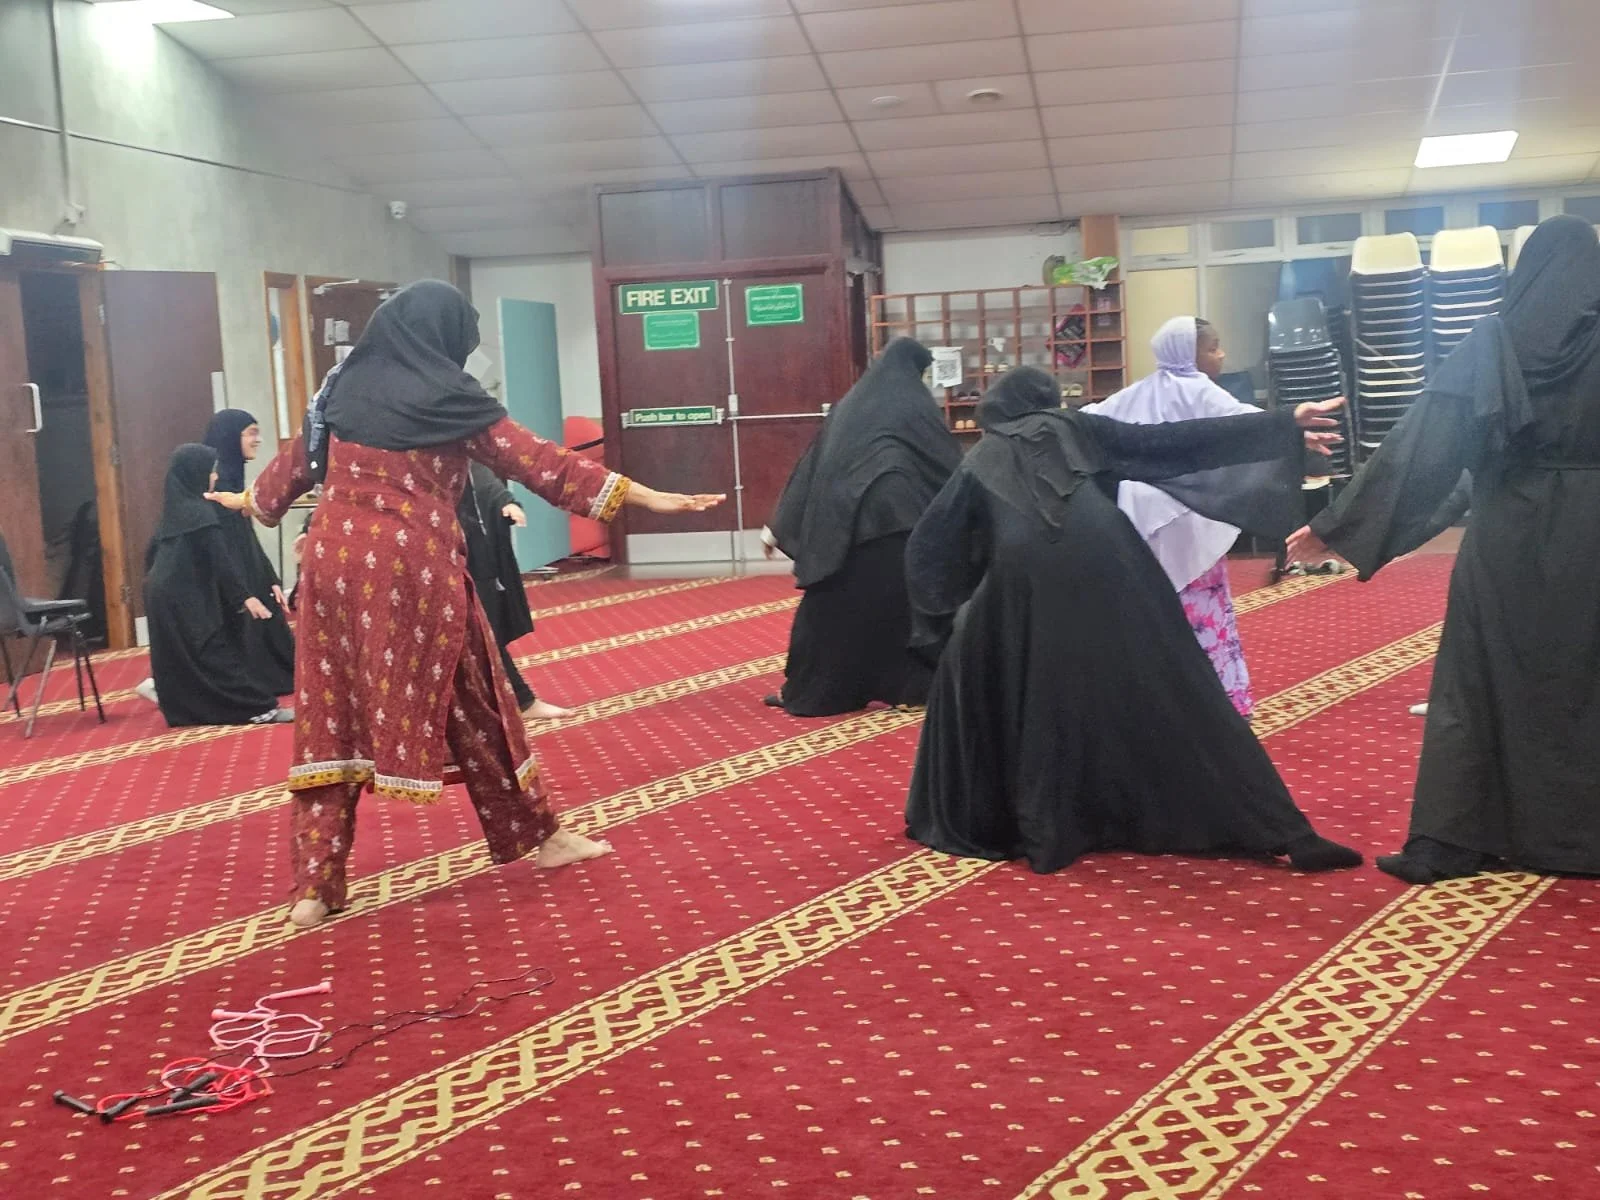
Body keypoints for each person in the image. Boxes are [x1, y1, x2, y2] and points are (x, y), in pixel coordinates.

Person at [210, 280, 722, 929]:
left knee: (327, 720)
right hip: (417, 572)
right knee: (483, 703)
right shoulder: (451, 397)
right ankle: (544, 836)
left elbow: (282, 481)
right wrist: (646, 496)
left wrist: (247, 501)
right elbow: (543, 465)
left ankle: (315, 887)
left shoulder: (339, 390)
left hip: (332, 572)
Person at [904, 365, 1361, 875]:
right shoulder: (1077, 426)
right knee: (1179, 687)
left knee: (1018, 682)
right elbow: (1172, 442)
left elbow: (928, 545)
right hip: (1112, 553)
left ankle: (1051, 824)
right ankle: (1288, 833)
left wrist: (943, 621)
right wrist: (1280, 424)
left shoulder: (982, 455)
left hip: (1024, 571)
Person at [1287, 214, 1600, 884]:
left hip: (1509, 536)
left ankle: (1456, 840)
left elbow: (1426, 449)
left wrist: (1340, 525)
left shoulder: (1497, 340)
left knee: (1478, 681)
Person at [762, 337, 961, 716]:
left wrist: (779, 525)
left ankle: (818, 691)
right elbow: (947, 466)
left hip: (845, 534)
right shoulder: (918, 406)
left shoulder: (851, 405)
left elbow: (814, 465)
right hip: (906, 531)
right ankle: (912, 688)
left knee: (831, 615)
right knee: (906, 612)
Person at [1082, 316, 1262, 717]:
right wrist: (1296, 429)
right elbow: (1251, 425)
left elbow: (1088, 421)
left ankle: (1157, 701)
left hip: (1143, 526)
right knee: (1203, 608)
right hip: (1190, 520)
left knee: (1153, 610)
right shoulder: (1201, 390)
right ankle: (1218, 701)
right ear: (1188, 354)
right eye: (1212, 348)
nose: (1221, 355)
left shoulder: (1137, 391)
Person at [144, 444, 291, 728]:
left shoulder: (174, 512)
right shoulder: (200, 513)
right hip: (181, 596)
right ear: (195, 473)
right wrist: (245, 597)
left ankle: (186, 711)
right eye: (210, 471)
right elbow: (221, 561)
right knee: (213, 651)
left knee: (180, 658)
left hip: (161, 594)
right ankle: (261, 708)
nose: (214, 476)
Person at [458, 462, 567, 718]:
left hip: (474, 556)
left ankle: (521, 700)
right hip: (431, 555)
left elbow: (481, 479)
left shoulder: (459, 451)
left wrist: (505, 502)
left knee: (485, 631)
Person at [203, 408, 296, 695]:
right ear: (231, 437)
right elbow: (223, 541)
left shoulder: (231, 475)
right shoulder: (216, 480)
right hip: (230, 573)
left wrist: (269, 577)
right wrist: (243, 588)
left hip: (245, 566)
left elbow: (245, 535)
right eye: (251, 433)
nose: (258, 440)